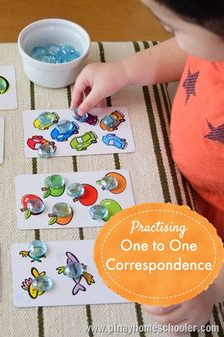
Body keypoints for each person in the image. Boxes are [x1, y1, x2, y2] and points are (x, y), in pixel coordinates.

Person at [71, 0, 224, 331]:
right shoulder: (214, 41)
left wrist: (214, 285)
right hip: (189, 188)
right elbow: (195, 51)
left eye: (174, 28)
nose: (167, 31)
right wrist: (125, 70)